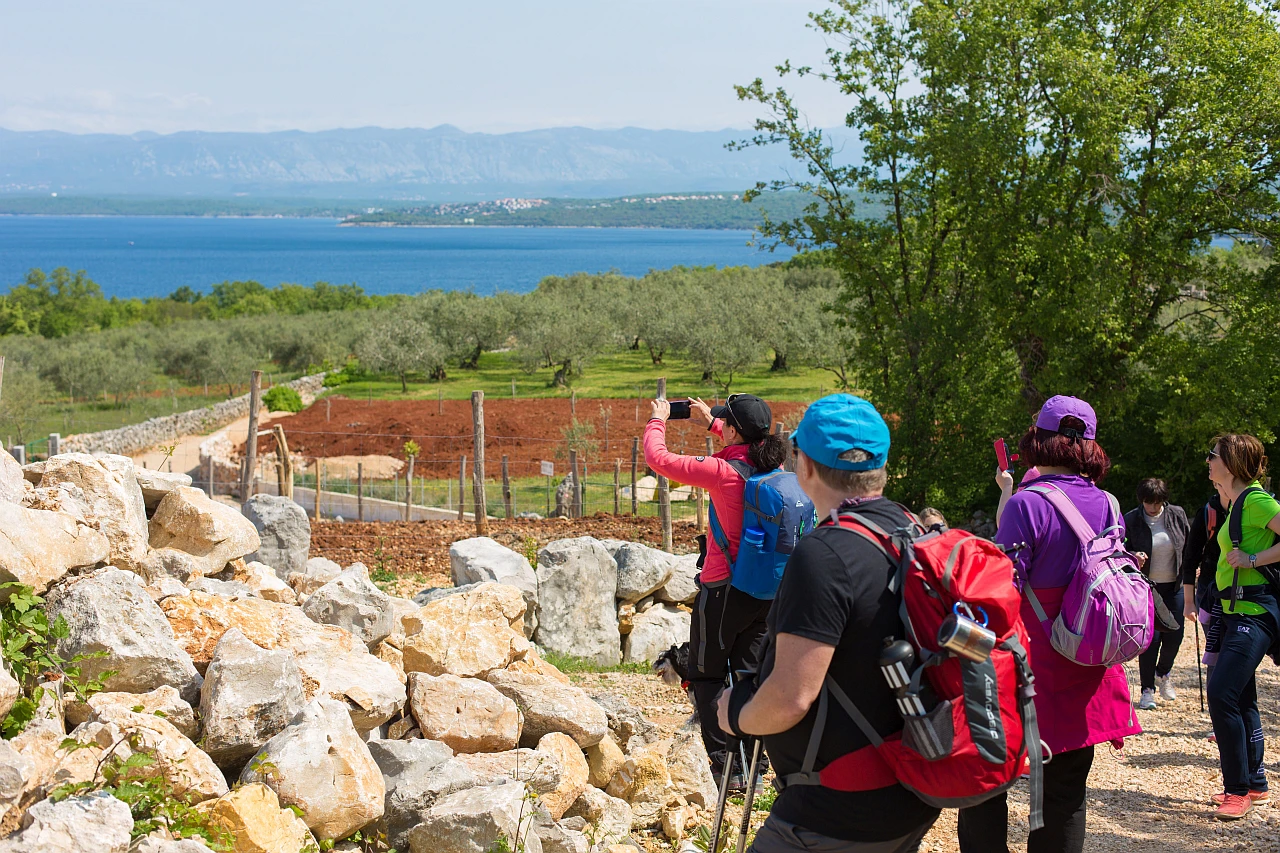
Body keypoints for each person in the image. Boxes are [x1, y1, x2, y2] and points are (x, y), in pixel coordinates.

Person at [715, 394, 940, 853]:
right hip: (909, 790)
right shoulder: (910, 531)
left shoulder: (824, 555)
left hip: (834, 813)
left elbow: (791, 697)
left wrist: (734, 715)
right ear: (881, 469)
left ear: (807, 468)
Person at [958, 395, 1141, 853]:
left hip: (1025, 670)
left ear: (1038, 439)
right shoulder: (1109, 504)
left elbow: (1001, 592)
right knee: (1064, 799)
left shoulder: (1027, 504)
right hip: (1084, 659)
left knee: (984, 789)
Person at [643, 392, 788, 788]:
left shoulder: (722, 471)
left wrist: (657, 419)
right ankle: (755, 768)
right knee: (749, 676)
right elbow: (742, 444)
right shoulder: (772, 463)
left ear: (735, 431)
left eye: (726, 421)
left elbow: (660, 460)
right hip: (766, 591)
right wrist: (711, 420)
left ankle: (727, 769)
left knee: (707, 675)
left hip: (723, 591)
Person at [1204, 434, 1280, 819]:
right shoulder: (1236, 502)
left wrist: (1252, 559)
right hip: (1236, 611)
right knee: (1242, 697)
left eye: (1213, 456)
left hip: (1253, 612)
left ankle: (1236, 792)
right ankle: (1255, 783)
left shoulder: (1255, 500)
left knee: (1220, 694)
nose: (1208, 461)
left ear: (1231, 462)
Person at [1123, 478, 1190, 709]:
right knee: (1150, 639)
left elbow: (1189, 545)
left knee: (1175, 635)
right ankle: (1147, 689)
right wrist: (1134, 556)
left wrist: (1193, 568)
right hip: (1146, 587)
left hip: (1174, 586)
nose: (1152, 507)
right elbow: (1120, 549)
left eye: (1156, 502)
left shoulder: (1177, 515)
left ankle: (1163, 673)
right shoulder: (1131, 519)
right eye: (1147, 502)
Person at [1183, 491, 1226, 688]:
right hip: (1209, 593)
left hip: (1242, 591)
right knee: (1216, 650)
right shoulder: (1208, 512)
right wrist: (1189, 603)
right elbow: (1190, 558)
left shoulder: (1248, 507)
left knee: (1235, 653)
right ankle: (1217, 704)